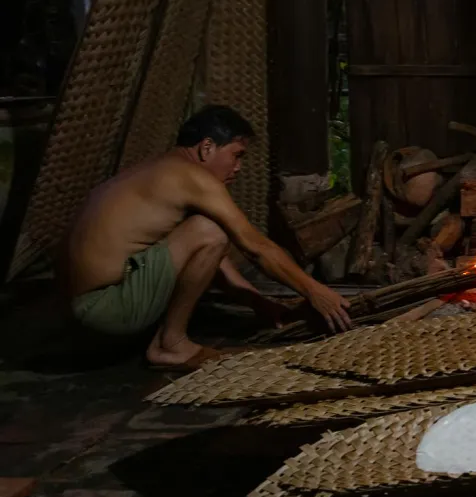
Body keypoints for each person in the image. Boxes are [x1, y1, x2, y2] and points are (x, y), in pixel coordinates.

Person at [62, 105, 353, 371]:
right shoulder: (191, 177)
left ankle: (166, 339)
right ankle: (171, 345)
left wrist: (261, 304)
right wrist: (316, 291)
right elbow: (256, 248)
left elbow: (213, 258)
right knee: (210, 231)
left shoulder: (163, 171)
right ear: (206, 148)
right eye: (236, 155)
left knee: (207, 233)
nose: (238, 167)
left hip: (80, 312)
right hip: (106, 308)